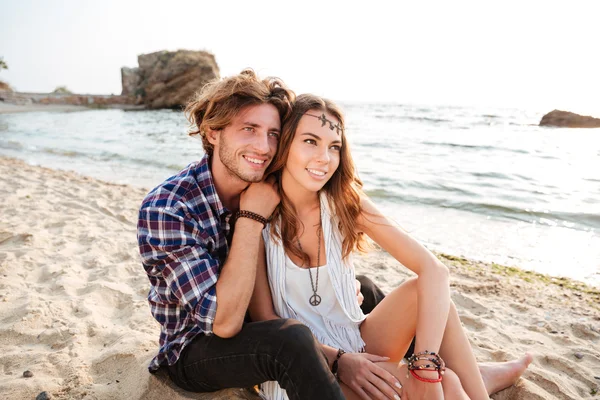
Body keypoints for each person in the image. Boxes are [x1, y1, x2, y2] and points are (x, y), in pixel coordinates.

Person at [249, 94, 532, 400]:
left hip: (354, 341)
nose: (324, 158)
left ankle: (465, 384)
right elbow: (267, 323)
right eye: (310, 141)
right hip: (298, 367)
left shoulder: (345, 205)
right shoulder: (258, 214)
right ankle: (472, 379)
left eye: (334, 147)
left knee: (430, 315)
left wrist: (424, 363)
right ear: (286, 143)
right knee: (445, 383)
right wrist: (341, 360)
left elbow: (434, 270)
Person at [137, 70, 348, 399]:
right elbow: (224, 324)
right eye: (249, 129)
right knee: (289, 342)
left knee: (361, 287)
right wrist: (250, 218)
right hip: (194, 349)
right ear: (213, 133)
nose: (263, 147)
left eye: (274, 134)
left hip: (259, 320)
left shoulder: (272, 185)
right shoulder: (168, 210)